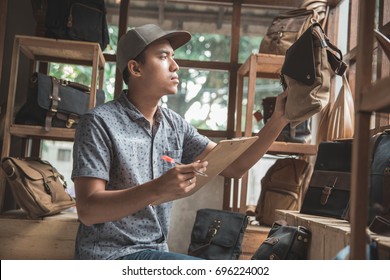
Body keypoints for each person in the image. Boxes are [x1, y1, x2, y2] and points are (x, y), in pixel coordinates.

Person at [71, 23, 289, 260]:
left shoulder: (175, 124)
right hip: (109, 256)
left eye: (173, 57)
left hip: (155, 252)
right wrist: (158, 188)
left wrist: (280, 118)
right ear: (135, 68)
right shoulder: (98, 122)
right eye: (163, 57)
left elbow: (235, 166)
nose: (176, 66)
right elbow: (88, 210)